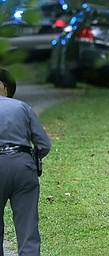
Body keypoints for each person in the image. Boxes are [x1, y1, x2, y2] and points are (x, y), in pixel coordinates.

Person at [0, 69, 51, 256]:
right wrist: (32, 159)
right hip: (23, 166)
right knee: (28, 226)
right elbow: (44, 144)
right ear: (5, 88)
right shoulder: (22, 107)